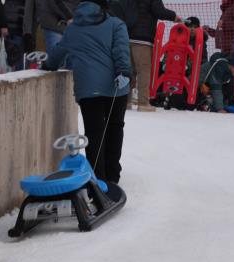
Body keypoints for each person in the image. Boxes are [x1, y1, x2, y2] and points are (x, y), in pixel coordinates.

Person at [43, 0, 131, 184]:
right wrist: (123, 72)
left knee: (94, 133)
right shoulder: (116, 24)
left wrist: (47, 65)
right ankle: (112, 177)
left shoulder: (73, 29)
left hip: (87, 89)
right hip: (116, 86)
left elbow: (58, 53)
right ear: (104, 7)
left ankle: (97, 179)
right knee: (114, 128)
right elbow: (121, 51)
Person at [120, 0, 181, 112]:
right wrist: (175, 17)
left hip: (127, 36)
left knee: (129, 71)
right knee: (143, 72)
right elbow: (159, 11)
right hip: (143, 39)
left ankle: (125, 102)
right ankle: (143, 103)